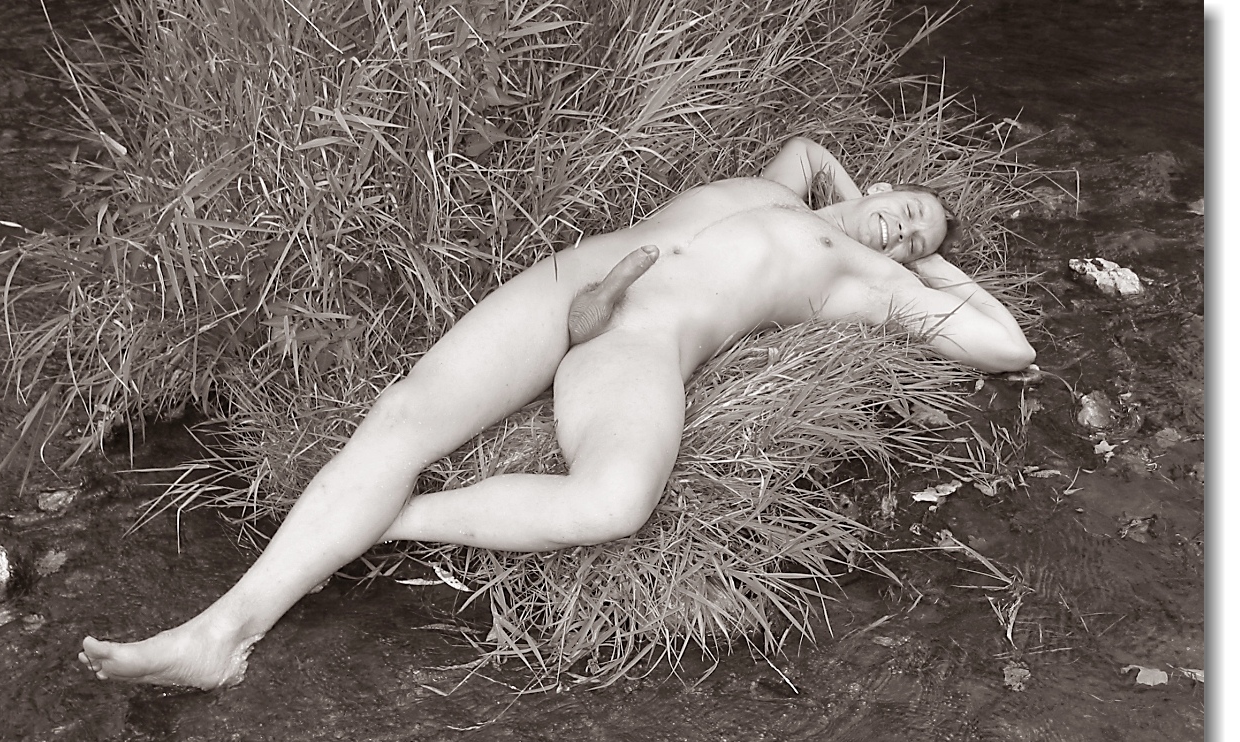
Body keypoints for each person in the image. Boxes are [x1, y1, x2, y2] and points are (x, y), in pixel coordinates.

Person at [78, 136, 1035, 690]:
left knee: (614, 502)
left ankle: (384, 522)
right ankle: (220, 633)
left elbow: (1008, 347)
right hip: (577, 277)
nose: (903, 226)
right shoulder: (782, 186)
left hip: (644, 339)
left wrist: (927, 263)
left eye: (917, 236)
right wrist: (857, 192)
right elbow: (809, 146)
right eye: (910, 206)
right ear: (882, 185)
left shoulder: (866, 279)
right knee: (405, 413)